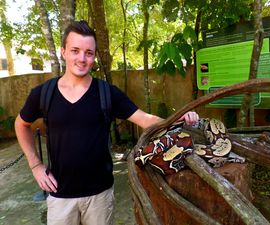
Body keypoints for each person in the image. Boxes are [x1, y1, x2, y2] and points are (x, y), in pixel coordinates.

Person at [14, 20, 199, 225]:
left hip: (99, 196)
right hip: (60, 195)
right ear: (63, 51)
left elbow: (145, 119)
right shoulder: (43, 94)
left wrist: (179, 118)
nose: (82, 58)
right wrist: (36, 165)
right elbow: (21, 124)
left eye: (89, 53)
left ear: (94, 56)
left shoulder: (107, 93)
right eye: (75, 50)